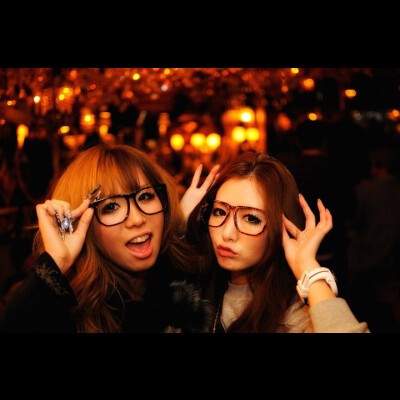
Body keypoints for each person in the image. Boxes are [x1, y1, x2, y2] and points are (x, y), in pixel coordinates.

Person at [2, 143, 218, 333]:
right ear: (84, 224)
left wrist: (183, 226)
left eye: (145, 196)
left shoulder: (184, 280)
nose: (137, 219)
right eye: (111, 207)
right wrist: (57, 262)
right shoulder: (70, 309)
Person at [186, 150, 369, 333]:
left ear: (280, 227)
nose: (227, 233)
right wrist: (179, 224)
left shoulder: (294, 316)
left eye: (251, 218)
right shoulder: (193, 289)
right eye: (219, 212)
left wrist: (308, 268)